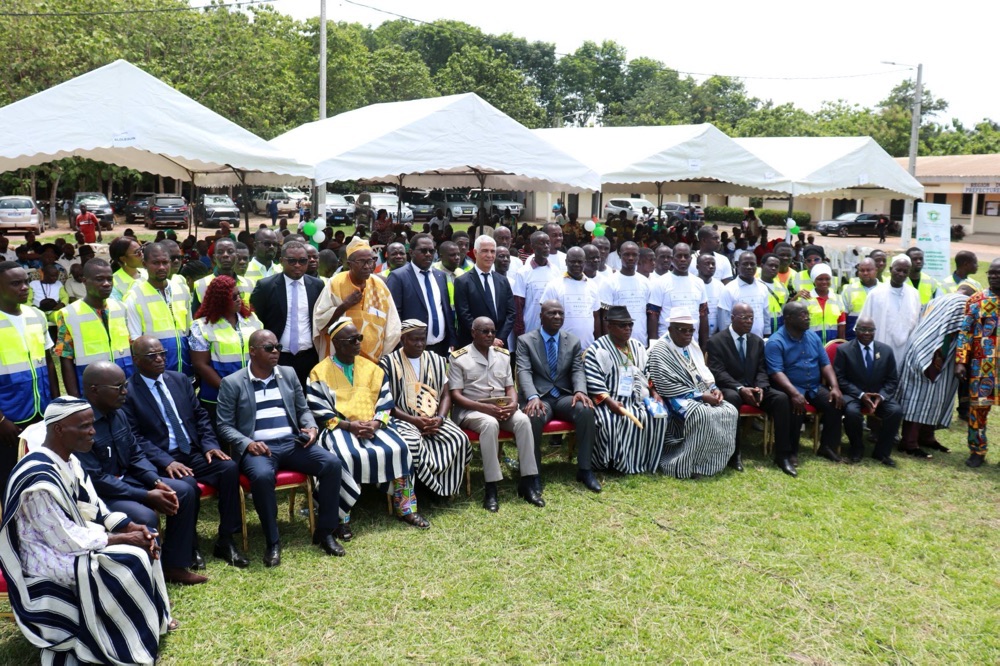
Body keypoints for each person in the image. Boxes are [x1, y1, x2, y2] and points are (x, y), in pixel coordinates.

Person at [0, 397, 174, 665]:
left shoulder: (69, 461)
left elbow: (92, 505)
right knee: (128, 558)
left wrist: (128, 526)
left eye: (92, 424)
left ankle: (151, 623)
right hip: (45, 557)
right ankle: (117, 641)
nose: (92, 431)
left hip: (73, 538)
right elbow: (65, 540)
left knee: (146, 538)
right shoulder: (38, 479)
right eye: (84, 426)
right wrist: (125, 538)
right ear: (59, 429)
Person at [217, 329, 346, 565]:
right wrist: (248, 444)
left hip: (292, 443)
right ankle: (273, 541)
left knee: (331, 464)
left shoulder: (288, 374)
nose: (275, 351)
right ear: (253, 352)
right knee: (263, 476)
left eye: (277, 347)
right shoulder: (232, 382)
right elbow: (224, 426)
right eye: (269, 348)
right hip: (260, 449)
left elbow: (303, 409)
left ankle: (325, 531)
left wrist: (311, 428)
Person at [76, 361, 206, 585]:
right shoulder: (80, 423)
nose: (125, 392)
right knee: (144, 516)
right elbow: (96, 479)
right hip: (101, 494)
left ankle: (174, 565)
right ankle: (148, 581)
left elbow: (135, 453)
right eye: (118, 387)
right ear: (94, 389)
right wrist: (146, 495)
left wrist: (155, 481)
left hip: (128, 479)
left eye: (124, 385)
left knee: (183, 490)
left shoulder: (118, 414)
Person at [124, 336, 248, 567]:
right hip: (162, 459)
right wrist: (166, 461)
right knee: (187, 485)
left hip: (191, 451)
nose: (160, 359)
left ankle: (226, 539)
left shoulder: (179, 380)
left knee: (228, 468)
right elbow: (135, 437)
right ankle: (189, 545)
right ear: (136, 360)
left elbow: (200, 416)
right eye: (152, 356)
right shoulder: (129, 392)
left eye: (162, 353)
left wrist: (210, 445)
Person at [308, 320, 429, 530]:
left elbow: (385, 402)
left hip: (374, 426)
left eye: (359, 338)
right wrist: (349, 426)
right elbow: (320, 411)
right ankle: (340, 516)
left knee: (400, 448)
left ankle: (407, 509)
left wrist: (375, 423)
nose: (358, 343)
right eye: (352, 340)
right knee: (343, 456)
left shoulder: (372, 369)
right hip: (339, 428)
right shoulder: (319, 372)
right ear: (336, 342)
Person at [449, 316, 543, 511]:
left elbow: (510, 387)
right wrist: (485, 408)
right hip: (472, 411)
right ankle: (491, 488)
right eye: (485, 331)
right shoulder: (459, 358)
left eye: (493, 331)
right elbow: (456, 396)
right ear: (473, 332)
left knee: (523, 420)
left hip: (501, 408)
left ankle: (528, 482)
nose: (490, 335)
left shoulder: (503, 355)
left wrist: (514, 404)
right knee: (489, 424)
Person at [380, 320, 472, 500]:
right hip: (403, 420)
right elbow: (387, 403)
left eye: (422, 339)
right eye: (414, 340)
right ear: (402, 339)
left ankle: (443, 487)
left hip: (434, 418)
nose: (420, 344)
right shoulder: (388, 363)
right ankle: (422, 487)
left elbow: (446, 395)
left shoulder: (436, 360)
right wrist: (415, 421)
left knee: (459, 438)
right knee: (412, 443)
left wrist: (440, 418)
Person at [516, 301, 600, 493]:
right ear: (541, 316)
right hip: (540, 397)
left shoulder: (572, 341)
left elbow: (578, 369)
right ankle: (533, 473)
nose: (557, 317)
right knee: (533, 416)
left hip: (564, 396)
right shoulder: (526, 341)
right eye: (552, 313)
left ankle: (585, 469)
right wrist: (532, 396)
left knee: (586, 410)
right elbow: (524, 371)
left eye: (561, 314)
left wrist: (580, 391)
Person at [649, 308, 738, 479]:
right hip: (673, 397)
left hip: (701, 392)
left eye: (691, 330)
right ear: (671, 329)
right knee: (702, 414)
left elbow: (704, 372)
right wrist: (702, 396)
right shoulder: (660, 350)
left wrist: (714, 389)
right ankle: (684, 464)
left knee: (729, 411)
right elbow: (664, 385)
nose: (688, 334)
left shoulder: (692, 346)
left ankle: (709, 463)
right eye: (683, 330)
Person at [706, 302, 795, 475]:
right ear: (732, 318)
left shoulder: (757, 341)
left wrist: (760, 387)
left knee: (781, 399)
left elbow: (762, 369)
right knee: (732, 398)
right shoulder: (716, 341)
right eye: (744, 318)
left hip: (754, 388)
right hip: (731, 387)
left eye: (752, 318)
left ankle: (783, 455)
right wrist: (740, 388)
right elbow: (718, 372)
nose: (749, 322)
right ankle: (734, 455)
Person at [584, 306, 668, 474]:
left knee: (657, 417)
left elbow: (648, 373)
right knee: (610, 421)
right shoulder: (597, 349)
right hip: (610, 401)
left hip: (638, 399)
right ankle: (613, 463)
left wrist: (654, 393)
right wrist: (609, 402)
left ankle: (645, 462)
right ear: (609, 327)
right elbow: (593, 381)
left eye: (630, 324)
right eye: (622, 325)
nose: (628, 328)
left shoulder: (637, 346)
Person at [0, 261, 59, 493]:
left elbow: (48, 363)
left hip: (40, 411)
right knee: (9, 478)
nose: (25, 287)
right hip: (9, 417)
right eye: (16, 284)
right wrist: (1, 420)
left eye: (25, 282)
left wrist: (55, 403)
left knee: (40, 474)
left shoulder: (37, 315)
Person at [765, 301, 845, 469]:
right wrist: (794, 393)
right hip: (790, 388)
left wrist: (835, 387)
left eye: (807, 314)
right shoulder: (776, 341)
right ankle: (791, 451)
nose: (808, 318)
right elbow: (776, 372)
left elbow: (825, 364)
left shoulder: (812, 336)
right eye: (802, 315)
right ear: (788, 318)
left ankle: (827, 446)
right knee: (795, 407)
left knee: (835, 403)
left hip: (814, 386)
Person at [896, 287, 973, 457]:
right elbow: (963, 332)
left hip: (924, 349)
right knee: (919, 399)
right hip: (930, 354)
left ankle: (926, 437)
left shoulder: (938, 299)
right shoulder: (961, 303)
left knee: (935, 396)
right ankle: (908, 443)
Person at [249, 241, 324, 389]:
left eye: (302, 261)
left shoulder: (317, 285)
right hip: (278, 356)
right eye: (292, 261)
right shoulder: (266, 286)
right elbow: (257, 320)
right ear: (282, 261)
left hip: (309, 356)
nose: (297, 265)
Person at [313, 237, 400, 363]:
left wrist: (383, 357)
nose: (367, 266)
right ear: (349, 264)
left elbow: (393, 326)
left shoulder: (380, 285)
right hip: (339, 362)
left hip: (373, 362)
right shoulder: (336, 283)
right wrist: (344, 306)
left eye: (370, 261)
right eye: (361, 262)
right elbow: (320, 321)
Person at [54, 259, 133, 398]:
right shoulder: (68, 314)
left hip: (125, 384)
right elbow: (65, 358)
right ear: (85, 281)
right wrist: (75, 398)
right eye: (99, 279)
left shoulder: (121, 308)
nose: (106, 284)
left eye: (110, 279)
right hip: (93, 389)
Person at [189, 275, 263, 416]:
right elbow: (200, 365)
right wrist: (227, 388)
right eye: (233, 297)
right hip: (217, 394)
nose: (239, 300)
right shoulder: (202, 326)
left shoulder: (252, 320)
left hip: (252, 390)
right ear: (220, 301)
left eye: (239, 295)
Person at [833, 317, 902, 466]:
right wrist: (861, 395)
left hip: (878, 395)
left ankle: (882, 452)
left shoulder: (886, 350)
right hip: (853, 394)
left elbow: (892, 380)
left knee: (895, 411)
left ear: (874, 331)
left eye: (870, 330)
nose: (866, 333)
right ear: (856, 330)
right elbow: (840, 378)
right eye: (862, 329)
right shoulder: (844, 350)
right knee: (851, 413)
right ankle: (856, 448)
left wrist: (881, 396)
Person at [955, 259, 1000, 468]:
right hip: (982, 366)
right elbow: (965, 332)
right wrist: (961, 361)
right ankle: (977, 450)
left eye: (997, 273)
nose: (993, 276)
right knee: (977, 410)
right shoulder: (976, 300)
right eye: (991, 273)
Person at [124, 242, 192, 376]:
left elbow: (190, 329)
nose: (161, 267)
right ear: (144, 264)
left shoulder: (182, 290)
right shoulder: (134, 296)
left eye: (165, 262)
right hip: (155, 372)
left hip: (185, 369)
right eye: (155, 263)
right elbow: (135, 340)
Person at [386, 233, 455, 357]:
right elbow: (394, 315)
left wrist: (451, 340)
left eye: (431, 251)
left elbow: (445, 310)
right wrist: (401, 346)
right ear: (411, 252)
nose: (428, 254)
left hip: (440, 347)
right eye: (423, 251)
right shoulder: (398, 277)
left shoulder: (440, 276)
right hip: (411, 349)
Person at [860, 255, 921, 370]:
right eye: (898, 270)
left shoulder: (914, 294)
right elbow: (863, 325)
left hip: (906, 350)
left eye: (905, 271)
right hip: (880, 348)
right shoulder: (876, 294)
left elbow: (916, 323)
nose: (901, 274)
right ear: (891, 269)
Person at [455, 235, 515, 348]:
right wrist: (488, 338)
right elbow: (464, 315)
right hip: (473, 344)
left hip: (500, 345)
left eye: (493, 251)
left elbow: (511, 313)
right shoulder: (462, 282)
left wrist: (499, 338)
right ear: (475, 252)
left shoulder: (503, 281)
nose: (489, 255)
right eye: (485, 251)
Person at [647, 243, 709, 345]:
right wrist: (653, 344)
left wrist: (703, 346)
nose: (683, 259)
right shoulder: (660, 282)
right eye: (679, 256)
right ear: (672, 259)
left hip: (693, 342)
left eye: (686, 256)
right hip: (667, 343)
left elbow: (703, 315)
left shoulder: (699, 283)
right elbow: (653, 316)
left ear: (691, 259)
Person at [539, 247, 601, 350]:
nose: (576, 264)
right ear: (566, 262)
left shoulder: (592, 286)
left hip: (587, 349)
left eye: (579, 261)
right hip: (560, 349)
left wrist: (597, 344)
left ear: (584, 262)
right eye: (573, 261)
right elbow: (544, 318)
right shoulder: (554, 285)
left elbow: (596, 316)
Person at [513, 231, 559, 337]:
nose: (546, 246)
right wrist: (520, 332)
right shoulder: (523, 273)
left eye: (548, 243)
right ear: (533, 246)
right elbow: (518, 305)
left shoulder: (555, 271)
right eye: (542, 243)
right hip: (530, 328)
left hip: (552, 329)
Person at [607, 241, 651, 345]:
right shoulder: (610, 282)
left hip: (641, 343)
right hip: (616, 343)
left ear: (638, 257)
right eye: (626, 254)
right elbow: (606, 315)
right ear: (620, 255)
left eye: (634, 255)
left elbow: (649, 314)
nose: (630, 258)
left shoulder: (645, 282)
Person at [718, 252, 771, 339]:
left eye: (752, 264)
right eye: (745, 264)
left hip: (759, 340)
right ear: (738, 265)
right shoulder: (728, 289)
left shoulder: (762, 287)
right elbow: (724, 320)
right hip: (735, 342)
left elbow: (766, 314)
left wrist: (767, 335)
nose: (749, 267)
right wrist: (727, 341)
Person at [803, 263, 846, 344]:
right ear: (813, 280)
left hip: (831, 344)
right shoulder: (805, 299)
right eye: (820, 279)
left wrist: (841, 344)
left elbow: (841, 324)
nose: (824, 282)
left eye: (827, 279)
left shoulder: (837, 298)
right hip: (810, 345)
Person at [839, 258, 880, 340]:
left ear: (876, 270)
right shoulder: (849, 290)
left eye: (868, 270)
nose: (865, 273)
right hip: (854, 339)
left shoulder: (884, 289)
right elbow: (842, 319)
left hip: (878, 337)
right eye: (862, 270)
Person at [696, 252, 725, 336]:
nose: (711, 266)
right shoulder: (692, 284)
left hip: (716, 335)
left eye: (713, 264)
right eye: (707, 264)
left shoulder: (720, 286)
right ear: (698, 267)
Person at [109, 236, 146, 301]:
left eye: (141, 249)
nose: (142, 254)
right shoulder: (113, 284)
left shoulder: (147, 273)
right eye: (137, 252)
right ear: (123, 259)